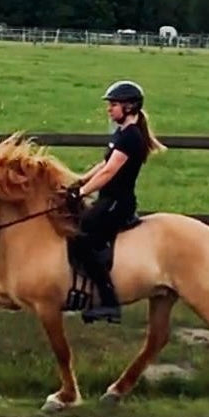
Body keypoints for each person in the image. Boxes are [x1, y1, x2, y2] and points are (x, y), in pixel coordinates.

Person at [67, 80, 166, 322]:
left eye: (114, 105)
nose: (109, 109)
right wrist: (80, 180)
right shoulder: (122, 134)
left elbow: (110, 172)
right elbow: (103, 164)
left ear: (130, 107)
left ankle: (108, 300)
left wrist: (81, 194)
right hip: (108, 200)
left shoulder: (130, 137)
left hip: (117, 204)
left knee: (82, 240)